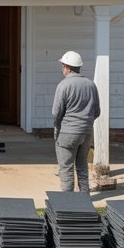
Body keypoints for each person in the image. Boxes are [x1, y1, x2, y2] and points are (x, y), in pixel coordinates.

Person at [51, 51, 101, 193]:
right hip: (86, 133)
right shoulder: (91, 85)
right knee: (82, 167)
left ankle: (68, 204)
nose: (62, 69)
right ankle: (85, 202)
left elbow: (56, 113)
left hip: (67, 133)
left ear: (67, 67)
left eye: (63, 66)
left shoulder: (63, 85)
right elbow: (97, 112)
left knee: (66, 169)